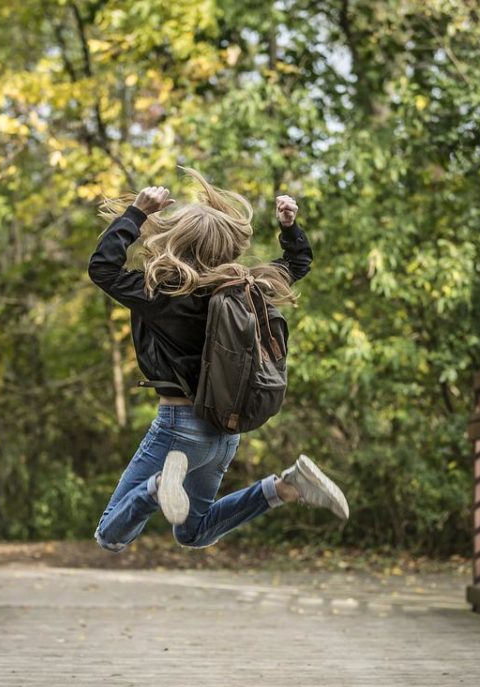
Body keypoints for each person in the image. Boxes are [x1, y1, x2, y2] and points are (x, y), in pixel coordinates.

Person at [89, 167, 349, 554]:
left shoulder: (160, 293)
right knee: (194, 532)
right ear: (226, 245)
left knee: (110, 535)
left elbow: (103, 268)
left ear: (176, 240)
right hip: (224, 433)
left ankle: (158, 487)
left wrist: (137, 213)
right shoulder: (248, 288)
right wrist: (289, 228)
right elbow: (297, 265)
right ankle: (286, 486)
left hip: (178, 430)